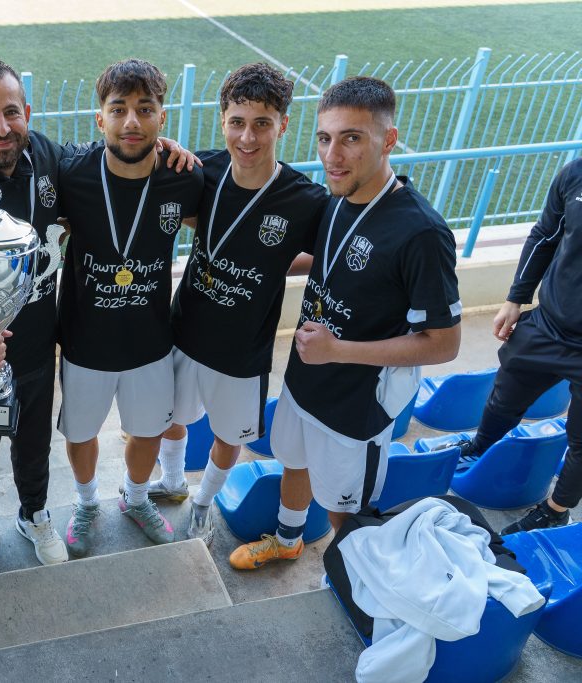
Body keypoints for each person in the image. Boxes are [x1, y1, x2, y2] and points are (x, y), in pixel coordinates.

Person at [0, 58, 196, 578]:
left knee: (34, 448)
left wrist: (158, 145)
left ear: (28, 112)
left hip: (37, 352)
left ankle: (34, 515)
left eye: (11, 112)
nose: (1, 128)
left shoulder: (45, 156)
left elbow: (110, 155)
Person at [230, 76, 462, 570]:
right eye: (325, 138)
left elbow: (443, 343)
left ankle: (354, 578)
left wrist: (339, 350)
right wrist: (266, 264)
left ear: (388, 139)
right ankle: (288, 539)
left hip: (356, 407)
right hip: (305, 379)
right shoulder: (336, 196)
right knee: (293, 461)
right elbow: (332, 260)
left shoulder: (421, 233)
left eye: (351, 138)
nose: (332, 156)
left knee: (345, 508)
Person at [146, 62, 328, 546]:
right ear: (222, 120)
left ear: (283, 125)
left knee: (230, 436)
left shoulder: (305, 199)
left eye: (262, 123)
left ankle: (203, 505)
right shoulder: (201, 170)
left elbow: (329, 253)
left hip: (243, 348)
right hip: (184, 328)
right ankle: (172, 480)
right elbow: (168, 197)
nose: (247, 137)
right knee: (169, 417)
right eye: (237, 122)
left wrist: (276, 260)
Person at [56, 58, 203, 557]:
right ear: (101, 119)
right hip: (85, 341)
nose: (132, 122)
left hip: (150, 340)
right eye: (119, 110)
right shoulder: (71, 174)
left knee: (147, 431)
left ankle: (136, 498)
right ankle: (85, 503)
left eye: (145, 109)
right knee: (81, 433)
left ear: (163, 117)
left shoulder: (184, 178)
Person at [445, 159, 581, 535]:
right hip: (549, 325)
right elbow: (545, 235)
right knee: (503, 398)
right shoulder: (575, 174)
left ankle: (555, 510)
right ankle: (482, 447)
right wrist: (515, 298)